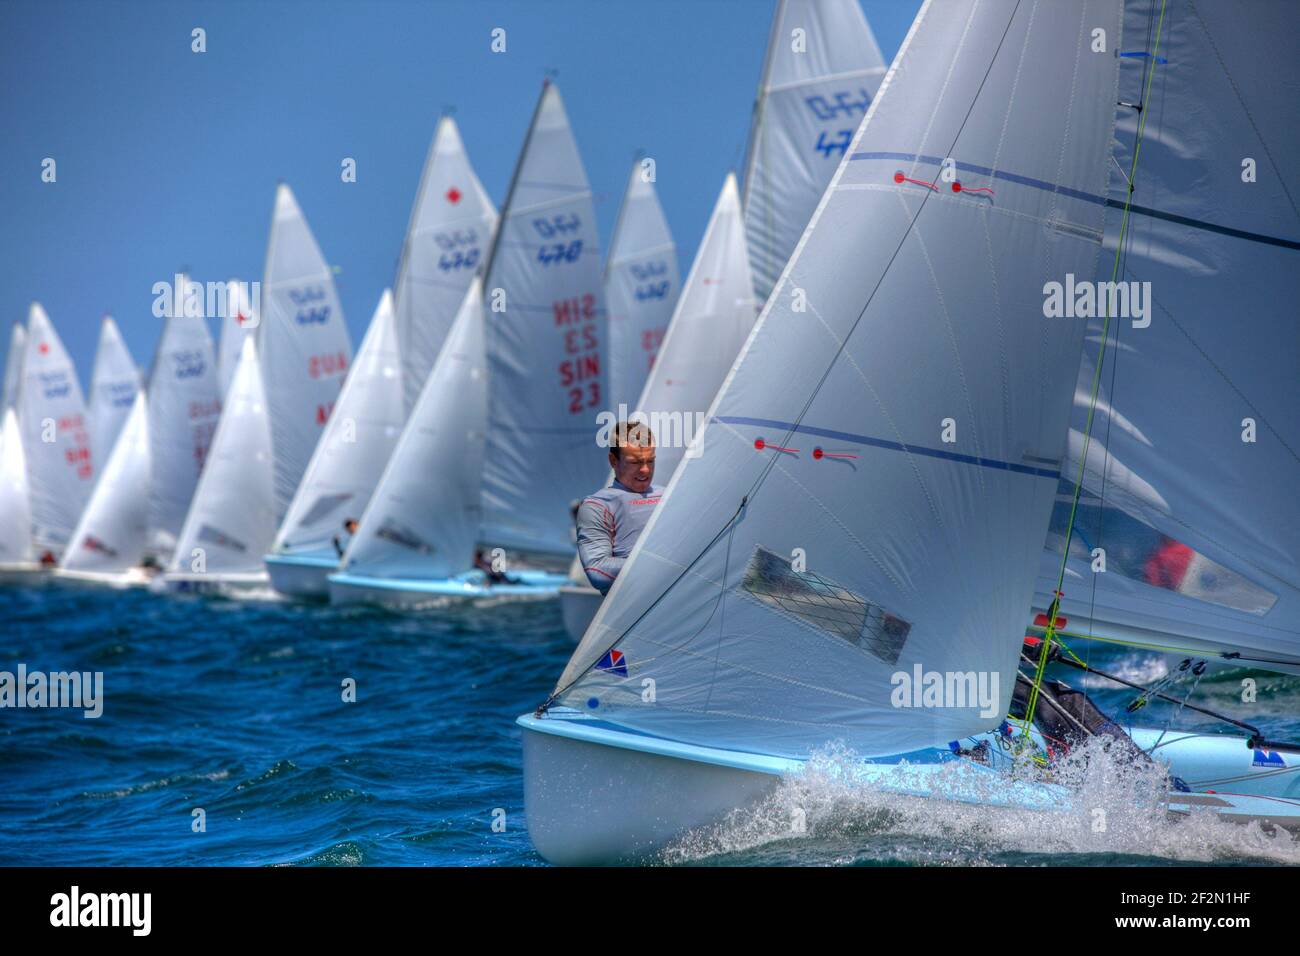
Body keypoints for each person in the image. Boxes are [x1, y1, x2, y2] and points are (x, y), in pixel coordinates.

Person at [575, 420, 661, 595]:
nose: (645, 470)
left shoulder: (670, 494)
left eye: (650, 461)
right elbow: (597, 571)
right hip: (639, 613)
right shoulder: (597, 506)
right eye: (635, 462)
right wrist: (664, 565)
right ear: (613, 460)